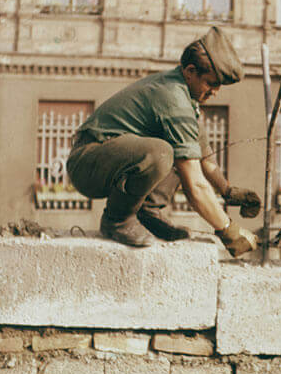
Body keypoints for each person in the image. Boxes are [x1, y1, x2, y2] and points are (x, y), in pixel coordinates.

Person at [66, 27, 260, 256]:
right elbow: (195, 185)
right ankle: (116, 221)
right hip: (87, 162)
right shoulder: (172, 98)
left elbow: (204, 159)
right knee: (162, 153)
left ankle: (149, 214)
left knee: (182, 151)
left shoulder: (186, 98)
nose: (215, 92)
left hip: (107, 159)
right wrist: (229, 231)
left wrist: (229, 191)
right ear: (190, 71)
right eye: (211, 83)